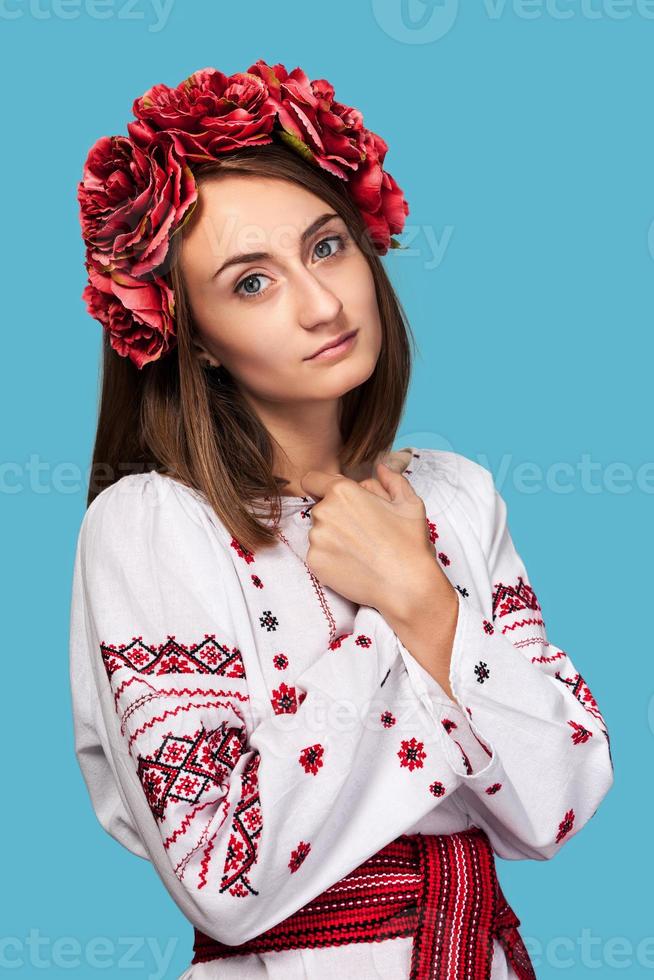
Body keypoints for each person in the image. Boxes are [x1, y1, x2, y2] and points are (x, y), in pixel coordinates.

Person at [70, 59, 614, 979]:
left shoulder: (454, 497)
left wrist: (421, 595)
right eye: (252, 282)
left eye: (325, 247)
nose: (323, 304)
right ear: (189, 335)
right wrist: (392, 623)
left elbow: (556, 804)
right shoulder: (154, 525)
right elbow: (223, 877)